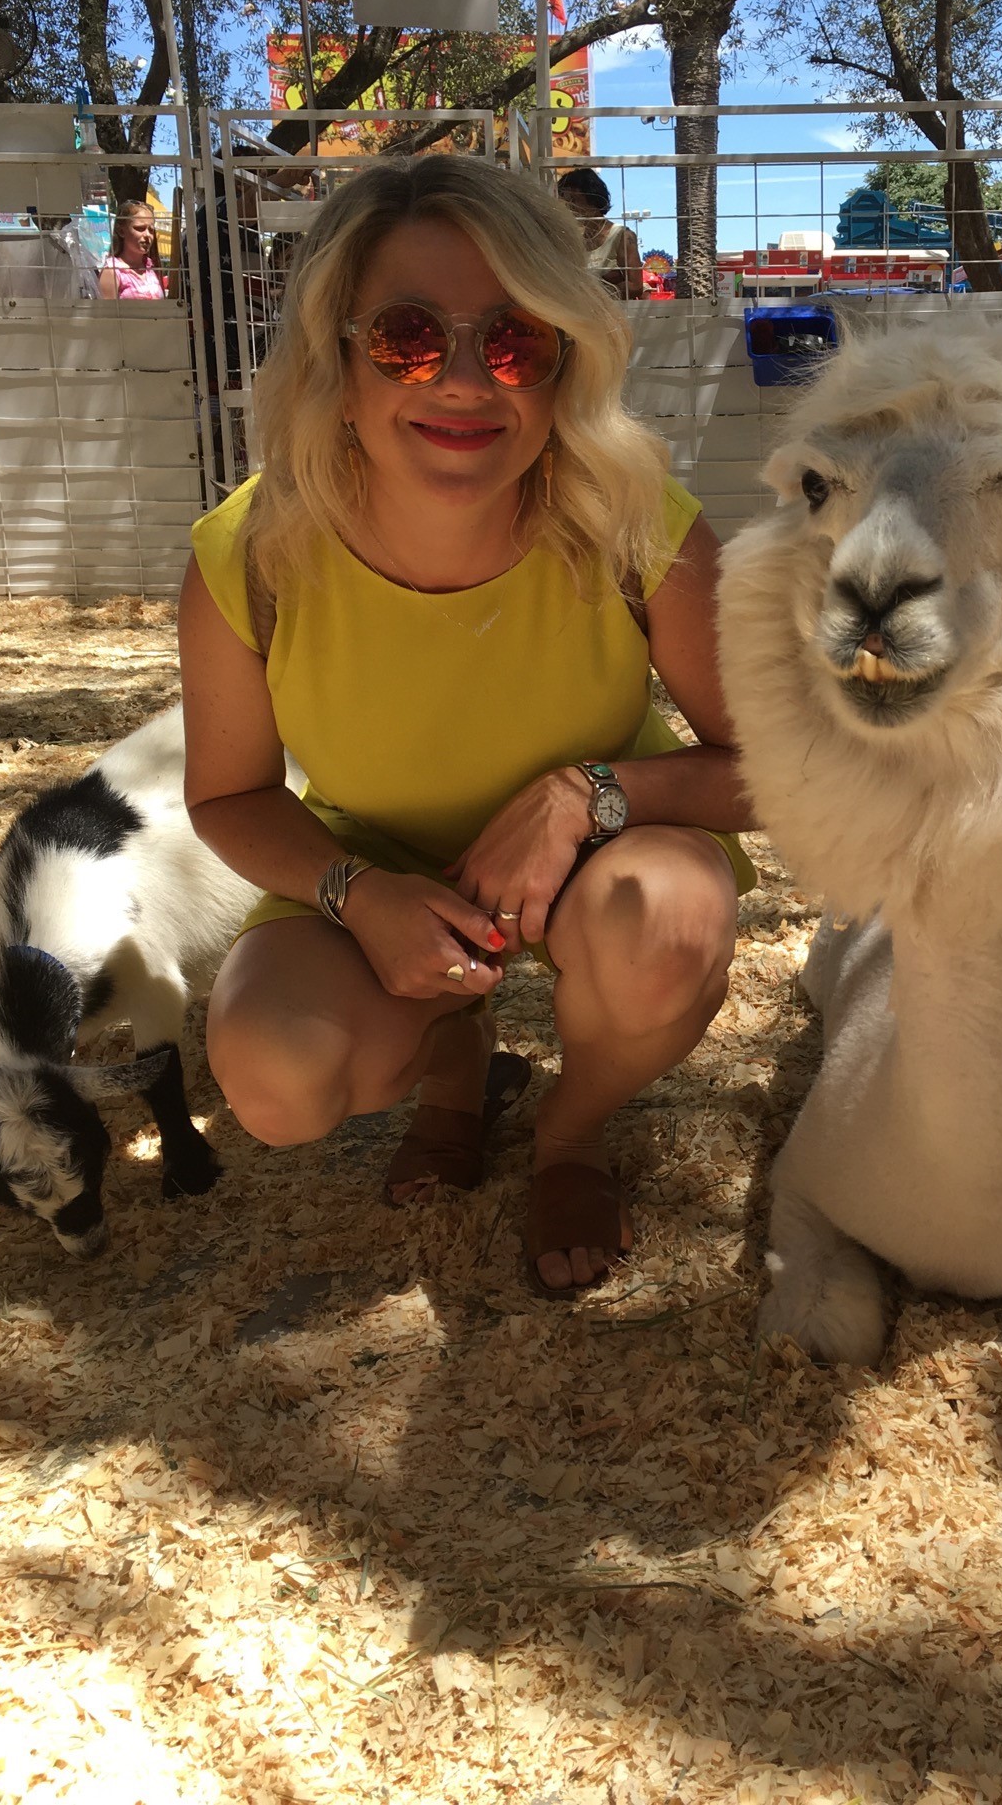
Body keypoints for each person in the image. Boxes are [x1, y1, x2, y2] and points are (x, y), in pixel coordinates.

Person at [178, 154, 754, 1295]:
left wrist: (591, 795)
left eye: (514, 341)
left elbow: (791, 769)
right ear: (337, 360)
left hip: (608, 855)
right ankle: (454, 1067)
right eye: (405, 336)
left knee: (668, 922)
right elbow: (227, 798)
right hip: (371, 868)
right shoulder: (248, 556)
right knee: (273, 1078)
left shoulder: (640, 529)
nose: (461, 382)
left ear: (561, 367)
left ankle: (570, 1133)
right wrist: (361, 894)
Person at [556, 167, 644, 301]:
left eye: (573, 199)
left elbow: (636, 286)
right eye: (565, 201)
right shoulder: (572, 240)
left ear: (591, 197)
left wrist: (596, 293)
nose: (569, 207)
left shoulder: (622, 236)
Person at [99, 200, 167, 299]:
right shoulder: (113, 271)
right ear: (121, 231)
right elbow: (106, 313)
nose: (147, 235)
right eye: (140, 228)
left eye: (151, 230)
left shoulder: (150, 267)